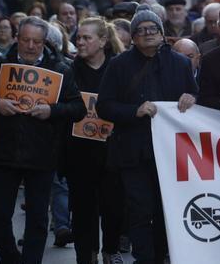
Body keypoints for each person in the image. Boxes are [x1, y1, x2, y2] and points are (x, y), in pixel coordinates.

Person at [0, 16, 85, 264]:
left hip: (42, 155)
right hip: (4, 153)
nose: (31, 46)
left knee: (38, 219)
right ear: (16, 39)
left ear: (45, 43)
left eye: (37, 42)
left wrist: (52, 110)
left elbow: (78, 108)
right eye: (26, 40)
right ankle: (10, 257)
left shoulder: (60, 69)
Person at [97, 6, 198, 264]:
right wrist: (134, 111)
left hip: (172, 153)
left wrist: (192, 97)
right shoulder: (119, 65)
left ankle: (164, 255)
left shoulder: (181, 64)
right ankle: (144, 259)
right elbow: (104, 106)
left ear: (162, 34)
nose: (147, 34)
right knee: (140, 210)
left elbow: (198, 100)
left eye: (152, 29)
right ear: (133, 38)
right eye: (141, 31)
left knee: (167, 210)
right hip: (133, 152)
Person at [64, 18, 123, 264]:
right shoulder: (69, 69)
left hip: (112, 150)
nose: (80, 42)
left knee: (114, 205)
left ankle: (110, 250)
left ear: (102, 41)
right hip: (79, 150)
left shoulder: (118, 68)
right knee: (82, 208)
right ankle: (86, 255)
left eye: (87, 38)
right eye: (78, 37)